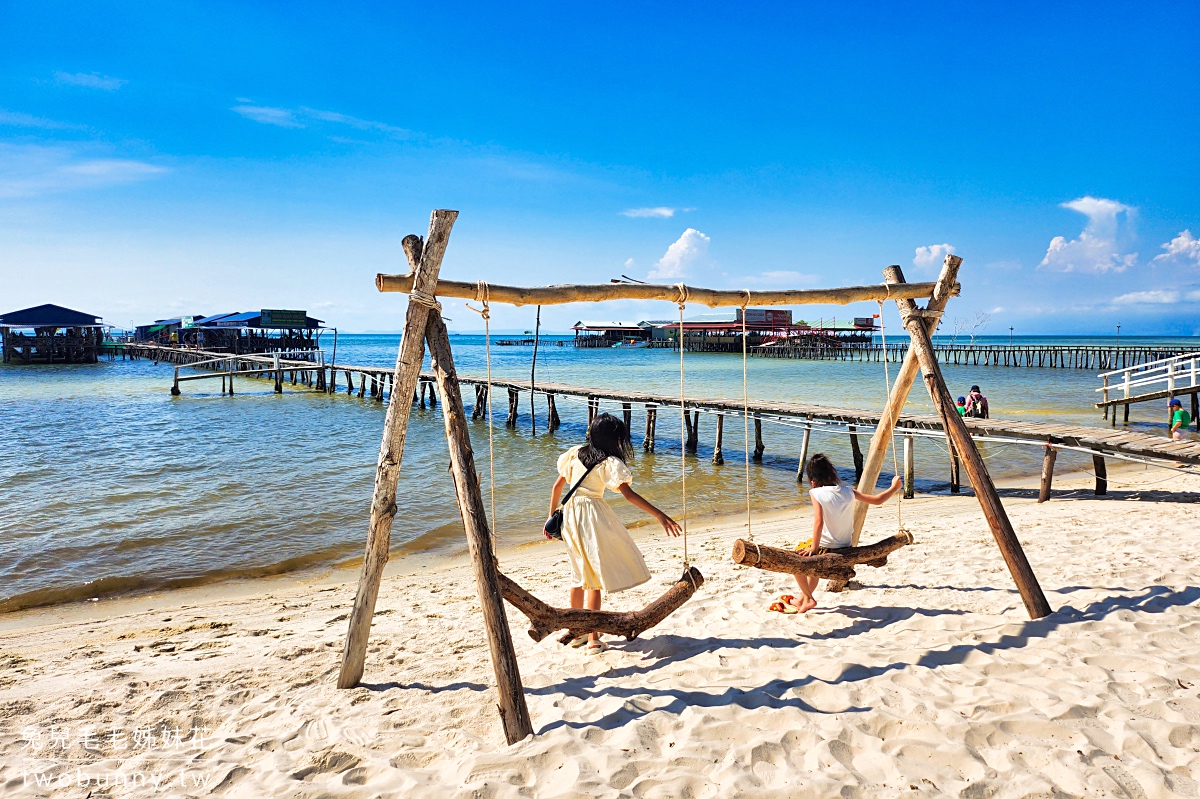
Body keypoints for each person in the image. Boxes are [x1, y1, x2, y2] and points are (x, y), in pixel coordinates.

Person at [549, 413, 682, 654]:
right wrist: (660, 515)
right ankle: (593, 638)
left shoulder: (575, 453)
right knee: (594, 578)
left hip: (569, 516)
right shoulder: (608, 462)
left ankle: (576, 631)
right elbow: (629, 495)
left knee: (578, 573)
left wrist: (550, 518)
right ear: (614, 440)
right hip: (590, 515)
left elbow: (557, 486)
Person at [774, 453, 902, 615]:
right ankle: (802, 599)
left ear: (813, 482)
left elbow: (818, 521)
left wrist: (814, 548)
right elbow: (877, 500)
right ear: (832, 474)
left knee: (795, 562)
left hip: (826, 548)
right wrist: (894, 488)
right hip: (846, 545)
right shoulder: (848, 491)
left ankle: (808, 598)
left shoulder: (816, 493)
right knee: (811, 563)